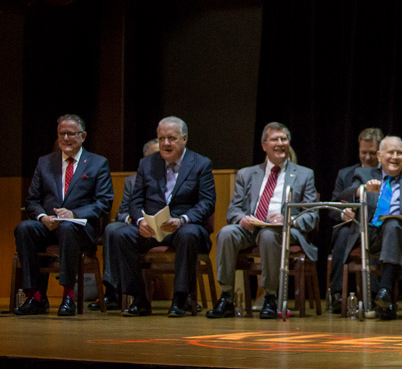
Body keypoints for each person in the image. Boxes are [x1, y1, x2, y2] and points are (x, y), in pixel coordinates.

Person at [207, 122, 318, 319]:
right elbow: (233, 209)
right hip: (251, 227)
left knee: (268, 234)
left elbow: (311, 215)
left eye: (283, 139)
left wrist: (288, 219)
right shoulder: (247, 174)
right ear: (264, 145)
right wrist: (242, 219)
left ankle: (270, 297)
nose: (280, 143)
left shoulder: (304, 174)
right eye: (275, 139)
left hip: (283, 230)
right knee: (226, 233)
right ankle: (226, 297)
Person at [110, 116, 216, 317]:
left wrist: (182, 219)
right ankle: (139, 299)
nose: (166, 144)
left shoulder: (201, 164)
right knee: (119, 233)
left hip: (185, 225)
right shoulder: (147, 163)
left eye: (171, 138)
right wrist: (140, 221)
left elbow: (207, 202)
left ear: (184, 139)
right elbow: (136, 200)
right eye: (161, 139)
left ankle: (180, 298)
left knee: (188, 234)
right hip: (152, 227)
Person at [14, 114, 114, 316]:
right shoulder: (44, 162)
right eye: (62, 134)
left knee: (68, 227)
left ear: (83, 136)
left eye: (71, 134)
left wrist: (73, 213)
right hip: (49, 224)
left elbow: (104, 202)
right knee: (24, 228)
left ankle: (68, 296)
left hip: (79, 227)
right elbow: (32, 200)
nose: (66, 138)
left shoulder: (97, 163)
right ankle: (36, 296)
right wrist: (43, 217)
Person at [332, 135, 402, 320]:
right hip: (370, 234)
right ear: (379, 156)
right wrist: (362, 190)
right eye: (390, 152)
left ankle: (385, 289)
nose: (395, 157)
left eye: (399, 153)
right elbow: (342, 196)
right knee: (390, 227)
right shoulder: (364, 175)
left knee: (393, 225)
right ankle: (386, 297)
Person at [90, 138, 159, 311]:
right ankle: (112, 289)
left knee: (119, 232)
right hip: (136, 227)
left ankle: (124, 293)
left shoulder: (172, 178)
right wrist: (136, 220)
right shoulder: (131, 181)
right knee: (112, 228)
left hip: (161, 229)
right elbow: (121, 212)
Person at [327, 127, 383, 313]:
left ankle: (376, 294)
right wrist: (343, 214)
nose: (367, 157)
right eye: (363, 152)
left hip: (376, 226)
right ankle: (337, 293)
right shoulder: (345, 174)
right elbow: (333, 206)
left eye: (372, 153)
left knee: (372, 232)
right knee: (343, 232)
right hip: (350, 225)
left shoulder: (387, 172)